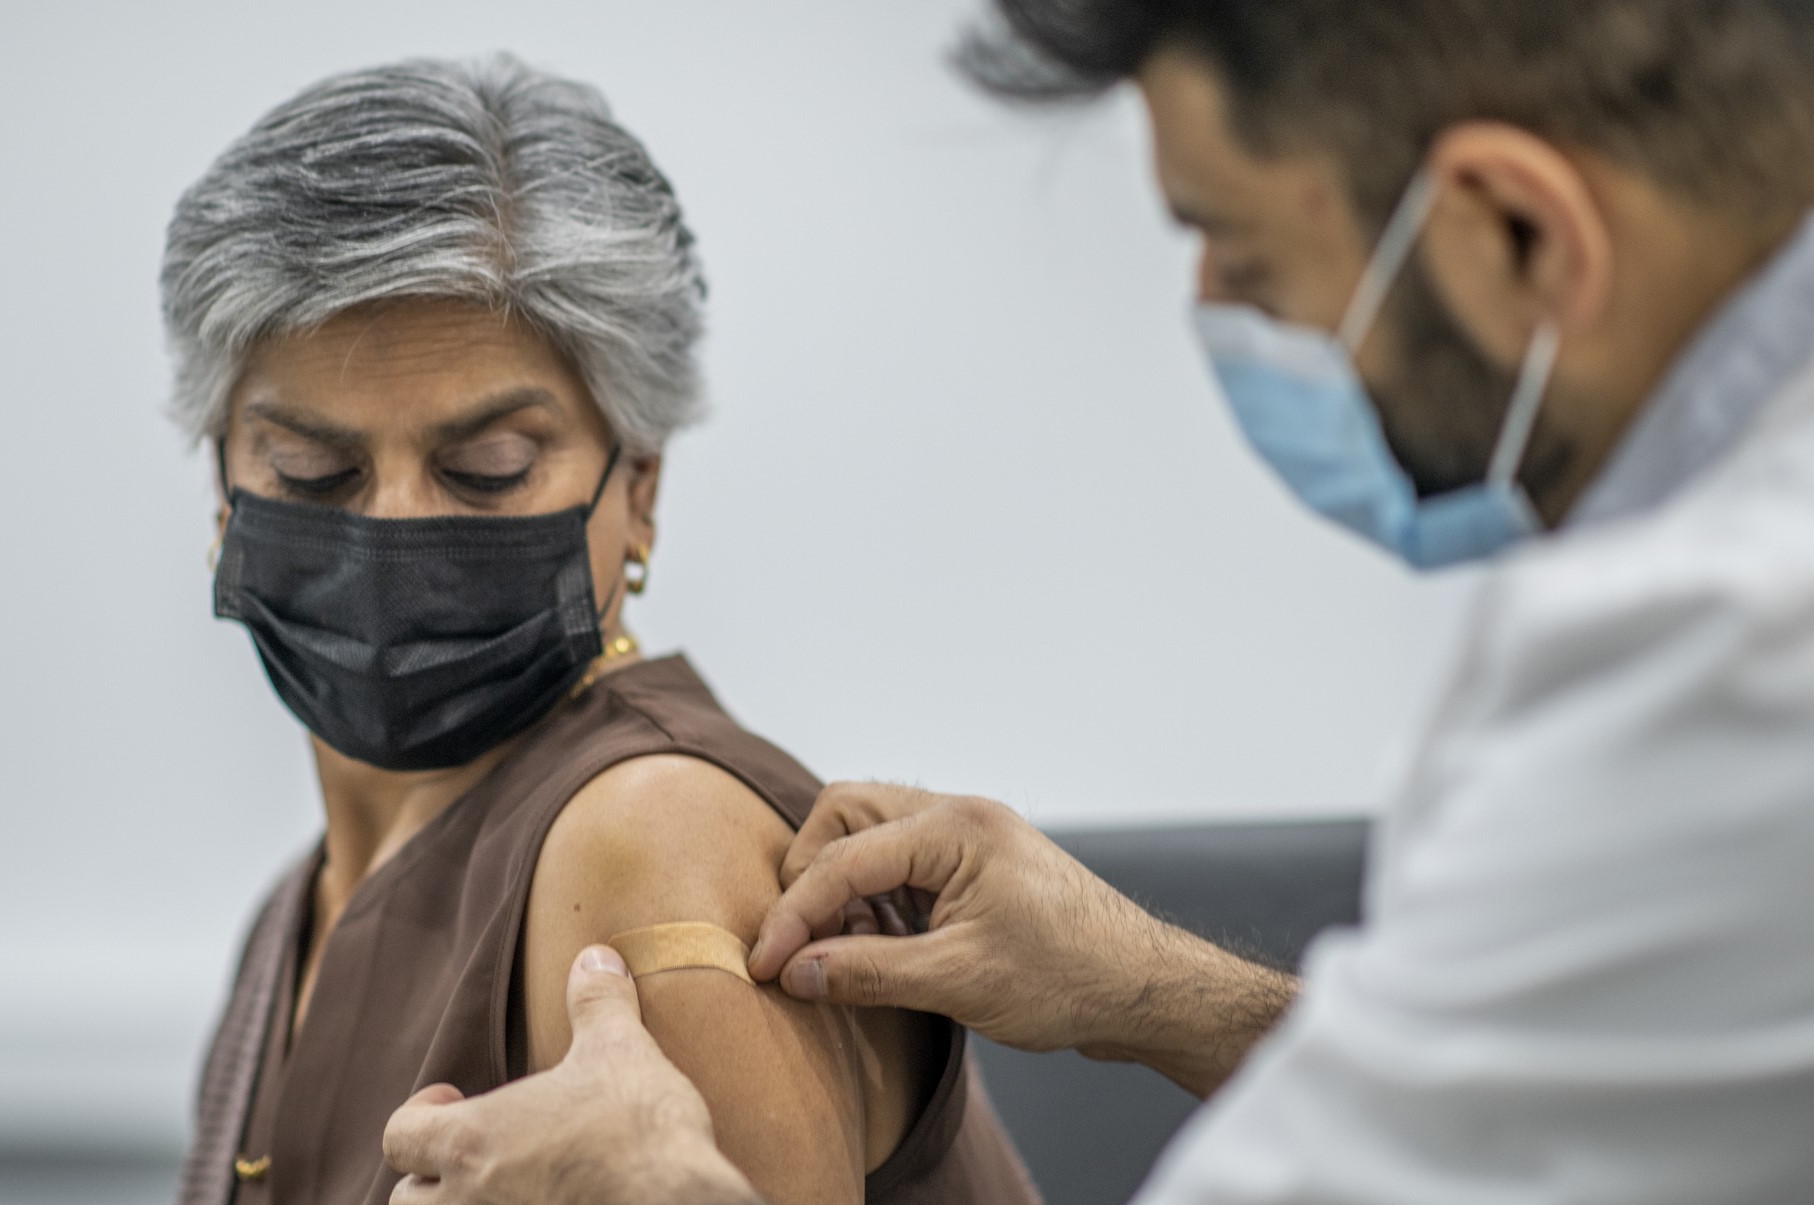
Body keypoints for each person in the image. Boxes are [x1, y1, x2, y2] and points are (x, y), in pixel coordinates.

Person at [380, 2, 1814, 1202]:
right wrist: (1149, 990)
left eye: (1245, 259)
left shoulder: (1730, 660)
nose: (1224, 320)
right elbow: (1571, 1091)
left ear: (1513, 234)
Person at [161, 56, 1039, 1205]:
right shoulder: (295, 909)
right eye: (312, 470)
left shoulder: (647, 838)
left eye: (488, 470)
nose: (395, 536)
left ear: (641, 490)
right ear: (224, 485)